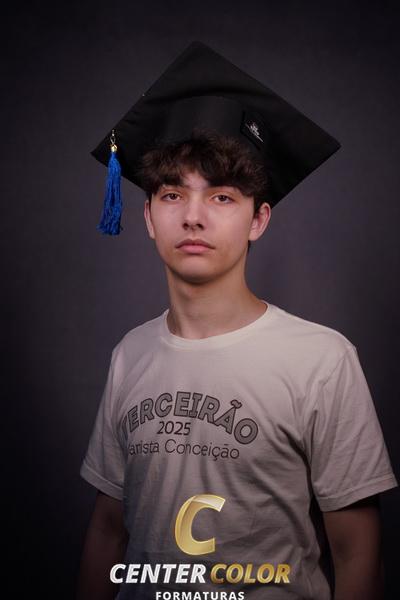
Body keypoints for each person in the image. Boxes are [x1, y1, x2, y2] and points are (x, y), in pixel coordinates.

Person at [77, 42, 398, 600]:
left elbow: (356, 551)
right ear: (148, 217)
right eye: (172, 194)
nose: (193, 217)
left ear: (258, 219)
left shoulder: (322, 361)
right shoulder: (130, 354)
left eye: (222, 197)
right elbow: (108, 530)